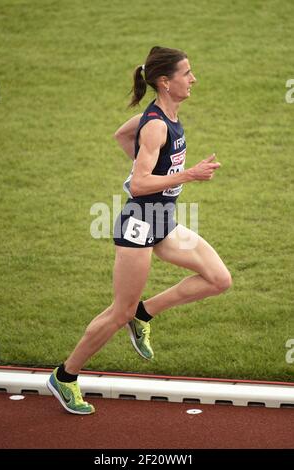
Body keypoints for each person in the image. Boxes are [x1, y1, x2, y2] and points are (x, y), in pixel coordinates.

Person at [47, 46, 232, 415]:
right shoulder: (156, 124)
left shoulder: (162, 115)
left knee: (218, 279)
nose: (193, 79)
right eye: (187, 73)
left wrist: (155, 167)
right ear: (166, 82)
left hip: (163, 221)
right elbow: (138, 184)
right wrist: (189, 174)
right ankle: (65, 376)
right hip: (138, 226)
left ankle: (144, 315)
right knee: (118, 311)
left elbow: (120, 135)